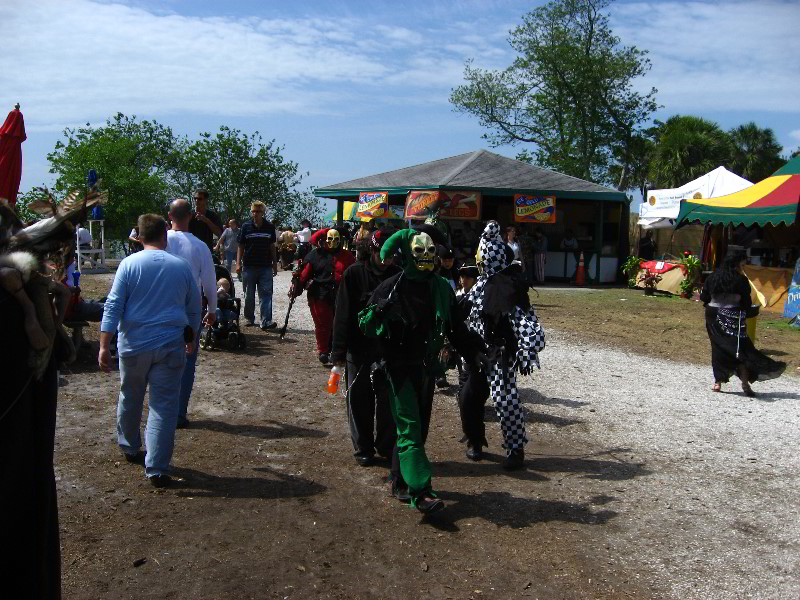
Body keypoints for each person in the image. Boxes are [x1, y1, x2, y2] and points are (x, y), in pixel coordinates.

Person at [359, 226, 484, 513]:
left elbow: (455, 327)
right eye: (420, 252)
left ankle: (399, 479)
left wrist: (476, 352)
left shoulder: (440, 287)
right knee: (409, 428)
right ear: (407, 255)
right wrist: (379, 314)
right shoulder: (391, 287)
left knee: (418, 428)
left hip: (426, 367)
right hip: (397, 367)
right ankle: (421, 492)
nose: (427, 257)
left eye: (430, 251)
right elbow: (366, 325)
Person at [99, 214, 201, 486]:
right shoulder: (181, 267)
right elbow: (194, 307)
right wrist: (192, 335)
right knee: (164, 405)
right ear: (165, 236)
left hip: (134, 344)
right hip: (170, 344)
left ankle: (130, 445)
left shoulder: (128, 265)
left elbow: (113, 305)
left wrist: (103, 344)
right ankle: (157, 466)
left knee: (129, 395)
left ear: (140, 237)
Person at [460, 221, 545, 469]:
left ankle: (515, 448)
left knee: (505, 400)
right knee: (468, 398)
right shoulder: (480, 285)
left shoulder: (510, 288)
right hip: (478, 353)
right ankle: (475, 441)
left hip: (500, 353)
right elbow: (463, 312)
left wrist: (528, 349)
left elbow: (526, 322)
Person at [331, 228, 399, 466]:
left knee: (389, 401)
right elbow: (342, 314)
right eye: (382, 252)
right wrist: (338, 352)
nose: (386, 258)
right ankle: (363, 447)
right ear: (372, 249)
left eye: (391, 253)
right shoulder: (354, 274)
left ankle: (386, 445)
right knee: (359, 399)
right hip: (358, 349)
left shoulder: (400, 276)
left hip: (389, 350)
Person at [700, 251, 786, 396]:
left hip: (713, 315)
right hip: (733, 316)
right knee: (741, 348)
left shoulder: (713, 277)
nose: (743, 267)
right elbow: (746, 302)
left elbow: (704, 296)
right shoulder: (740, 280)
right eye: (742, 264)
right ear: (736, 264)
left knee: (718, 348)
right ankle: (745, 384)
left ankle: (717, 382)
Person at [166, 199, 217, 429]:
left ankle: (162, 408)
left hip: (163, 304)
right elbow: (209, 282)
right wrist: (213, 309)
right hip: (191, 306)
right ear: (190, 216)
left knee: (161, 357)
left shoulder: (158, 242)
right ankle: (178, 413)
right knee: (187, 360)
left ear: (169, 215)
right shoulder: (199, 246)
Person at [292, 227, 355, 364]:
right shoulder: (316, 255)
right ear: (325, 240)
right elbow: (304, 274)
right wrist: (297, 287)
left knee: (338, 323)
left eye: (336, 239)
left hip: (340, 294)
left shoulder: (347, 256)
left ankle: (335, 349)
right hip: (319, 293)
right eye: (330, 239)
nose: (333, 242)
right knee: (323, 324)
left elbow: (354, 274)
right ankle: (323, 350)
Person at [236, 201, 278, 330]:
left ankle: (266, 321)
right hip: (249, 265)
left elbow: (272, 246)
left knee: (266, 294)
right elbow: (241, 245)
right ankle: (249, 318)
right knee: (248, 294)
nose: (255, 214)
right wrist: (238, 263)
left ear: (263, 212)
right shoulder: (246, 226)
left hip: (265, 265)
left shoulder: (269, 227)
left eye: (258, 211)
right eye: (254, 211)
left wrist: (275, 263)